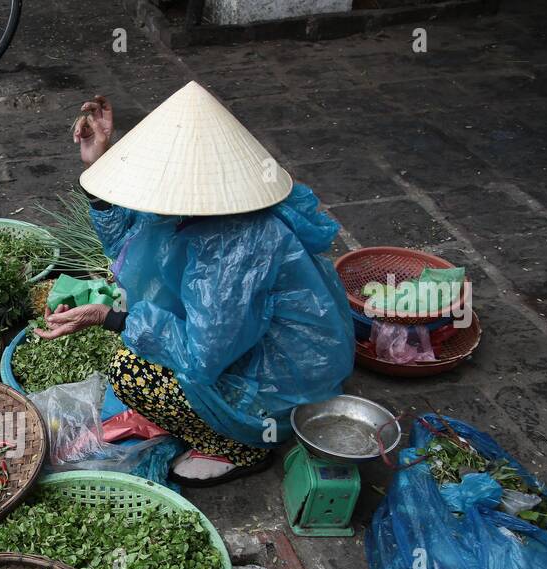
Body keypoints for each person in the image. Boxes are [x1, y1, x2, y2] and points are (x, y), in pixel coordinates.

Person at [38, 83, 355, 486]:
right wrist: (97, 164)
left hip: (280, 379)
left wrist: (110, 318)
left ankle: (243, 447)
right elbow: (132, 248)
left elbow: (202, 356)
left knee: (130, 371)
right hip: (241, 339)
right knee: (140, 345)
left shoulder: (234, 248)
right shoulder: (190, 206)